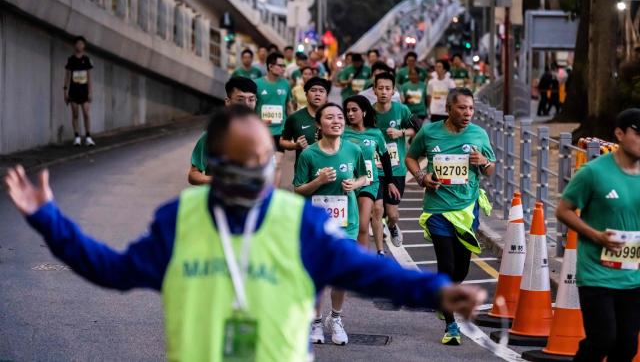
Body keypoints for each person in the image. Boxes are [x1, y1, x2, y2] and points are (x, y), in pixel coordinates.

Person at [4, 106, 487, 361]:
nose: (257, 169)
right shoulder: (179, 221)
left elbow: (369, 273)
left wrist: (438, 290)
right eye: (242, 160)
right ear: (214, 164)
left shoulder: (298, 223)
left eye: (262, 159)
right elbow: (109, 269)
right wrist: (48, 218)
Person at [406, 87, 496, 346]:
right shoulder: (430, 132)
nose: (467, 113)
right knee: (445, 266)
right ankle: (451, 325)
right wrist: (422, 177)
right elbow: (411, 157)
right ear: (448, 109)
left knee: (462, 268)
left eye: (471, 108)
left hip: (467, 208)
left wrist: (482, 162)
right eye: (462, 108)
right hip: (437, 208)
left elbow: (490, 170)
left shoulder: (479, 134)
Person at [556, 108, 640, 362]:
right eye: (638, 133)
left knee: (626, 347)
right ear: (619, 133)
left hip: (632, 275)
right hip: (596, 273)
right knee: (603, 339)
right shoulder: (593, 173)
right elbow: (563, 210)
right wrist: (596, 235)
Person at [293, 103, 369, 345]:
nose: (336, 121)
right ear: (319, 124)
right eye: (329, 117)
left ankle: (335, 319)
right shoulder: (309, 155)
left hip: (347, 222)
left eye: (340, 116)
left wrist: (354, 185)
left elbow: (366, 176)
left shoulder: (354, 150)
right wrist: (319, 180)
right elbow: (298, 189)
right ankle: (315, 322)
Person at [343, 95, 393, 255]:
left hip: (369, 183)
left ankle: (362, 263)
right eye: (348, 110)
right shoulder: (342, 132)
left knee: (363, 224)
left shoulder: (376, 133)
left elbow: (385, 159)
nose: (350, 113)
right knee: (345, 224)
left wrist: (390, 182)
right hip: (346, 183)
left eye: (354, 110)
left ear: (364, 112)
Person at [373, 72, 417, 247]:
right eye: (380, 88)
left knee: (392, 214)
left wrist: (401, 132)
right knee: (377, 210)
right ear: (374, 90)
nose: (384, 92)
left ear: (393, 91)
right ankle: (379, 251)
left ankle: (392, 226)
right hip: (375, 168)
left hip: (396, 169)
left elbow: (415, 129)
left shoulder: (402, 110)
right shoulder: (368, 111)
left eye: (387, 88)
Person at [188, 77, 257, 185]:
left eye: (251, 99)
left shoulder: (261, 137)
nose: (247, 105)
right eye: (240, 100)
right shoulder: (212, 136)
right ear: (228, 102)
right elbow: (193, 175)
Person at [255, 52, 293, 187]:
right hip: (261, 132)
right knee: (262, 164)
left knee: (277, 164)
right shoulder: (257, 84)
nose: (283, 68)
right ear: (270, 66)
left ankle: (274, 195)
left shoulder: (285, 84)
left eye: (284, 66)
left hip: (280, 131)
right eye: (281, 65)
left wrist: (292, 125)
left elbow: (288, 106)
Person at [280, 77, 330, 167]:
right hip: (303, 170)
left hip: (329, 168)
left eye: (321, 91)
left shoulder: (335, 118)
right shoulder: (295, 117)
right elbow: (283, 141)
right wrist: (295, 145)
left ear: (326, 97)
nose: (317, 94)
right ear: (306, 95)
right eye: (313, 90)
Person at [64, 36, 95, 146]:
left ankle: (88, 137)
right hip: (73, 91)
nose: (79, 45)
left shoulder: (87, 60)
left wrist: (90, 92)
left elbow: (90, 77)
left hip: (84, 91)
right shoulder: (71, 60)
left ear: (84, 46)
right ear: (75, 45)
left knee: (86, 113)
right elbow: (67, 77)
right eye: (77, 43)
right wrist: (65, 92)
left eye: (81, 44)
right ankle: (77, 137)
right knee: (75, 114)